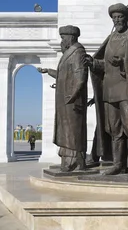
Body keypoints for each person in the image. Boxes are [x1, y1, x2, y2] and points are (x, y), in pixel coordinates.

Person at [86, 3, 128, 177]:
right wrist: (93, 63)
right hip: (110, 90)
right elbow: (104, 65)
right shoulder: (110, 39)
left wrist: (123, 63)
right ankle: (117, 164)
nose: (117, 20)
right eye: (114, 17)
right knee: (114, 129)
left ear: (126, 18)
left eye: (120, 17)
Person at [37, 25, 89, 172]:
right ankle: (68, 159)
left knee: (73, 131)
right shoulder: (68, 54)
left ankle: (74, 161)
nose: (61, 41)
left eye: (63, 38)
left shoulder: (78, 52)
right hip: (66, 101)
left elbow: (81, 77)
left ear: (70, 38)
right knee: (65, 130)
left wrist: (72, 95)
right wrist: (49, 71)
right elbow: (64, 76)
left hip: (72, 101)